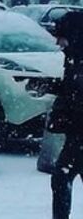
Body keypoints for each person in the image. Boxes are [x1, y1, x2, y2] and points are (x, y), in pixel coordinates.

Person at [49, 12, 83, 219]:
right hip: (76, 133)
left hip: (79, 132)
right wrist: (51, 86)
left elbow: (76, 94)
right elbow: (71, 89)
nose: (58, 42)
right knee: (62, 177)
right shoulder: (73, 57)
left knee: (61, 177)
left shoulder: (78, 59)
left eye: (60, 37)